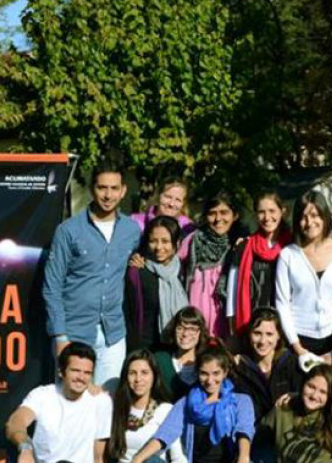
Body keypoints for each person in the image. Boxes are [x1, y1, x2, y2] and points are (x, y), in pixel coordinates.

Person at [41, 349, 188, 463]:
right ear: (125, 377)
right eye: (132, 373)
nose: (138, 379)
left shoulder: (165, 410)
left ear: (154, 376)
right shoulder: (117, 407)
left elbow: (180, 458)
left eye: (144, 373)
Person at [43, 160, 142, 391]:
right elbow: (52, 286)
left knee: (107, 403)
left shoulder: (132, 231)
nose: (108, 195)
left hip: (113, 335)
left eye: (114, 188)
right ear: (91, 189)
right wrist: (59, 336)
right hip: (73, 332)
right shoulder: (68, 231)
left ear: (123, 190)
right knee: (69, 404)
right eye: (102, 188)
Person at [125, 346, 255, 463]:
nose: (210, 380)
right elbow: (164, 435)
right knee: (149, 462)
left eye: (216, 373)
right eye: (204, 373)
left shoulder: (241, 401)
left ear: (225, 372)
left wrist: (243, 459)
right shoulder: (186, 403)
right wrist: (138, 459)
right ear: (196, 373)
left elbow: (244, 432)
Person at [0, 343, 113, 463]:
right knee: (18, 442)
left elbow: (99, 459)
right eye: (75, 370)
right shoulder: (43, 395)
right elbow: (14, 422)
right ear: (61, 371)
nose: (81, 377)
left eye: (87, 373)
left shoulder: (101, 402)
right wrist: (25, 448)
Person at [276, 190, 332, 365]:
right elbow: (282, 303)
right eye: (303, 217)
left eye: (315, 215)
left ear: (325, 217)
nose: (309, 222)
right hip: (299, 342)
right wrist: (297, 347)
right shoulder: (288, 255)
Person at [224, 191, 293, 336]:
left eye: (272, 211)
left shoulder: (293, 246)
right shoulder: (244, 247)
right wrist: (232, 325)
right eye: (261, 212)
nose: (267, 217)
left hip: (288, 324)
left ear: (283, 212)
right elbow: (232, 290)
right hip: (252, 325)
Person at [178, 192, 246, 338]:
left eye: (224, 213)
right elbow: (170, 264)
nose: (218, 219)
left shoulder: (242, 245)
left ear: (235, 215)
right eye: (212, 213)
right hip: (195, 328)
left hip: (229, 329)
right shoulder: (193, 241)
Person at [124, 215, 188, 351]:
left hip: (176, 350)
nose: (159, 247)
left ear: (177, 243)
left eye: (165, 241)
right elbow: (129, 316)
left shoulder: (183, 270)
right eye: (153, 241)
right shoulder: (138, 271)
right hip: (145, 350)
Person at [231, 307, 296, 420]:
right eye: (257, 333)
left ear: (279, 335)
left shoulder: (292, 364)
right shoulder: (239, 368)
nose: (262, 341)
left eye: (269, 334)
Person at [153, 307, 211, 401]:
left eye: (192, 329)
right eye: (180, 328)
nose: (185, 334)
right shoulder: (160, 360)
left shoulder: (208, 362)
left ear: (200, 333)